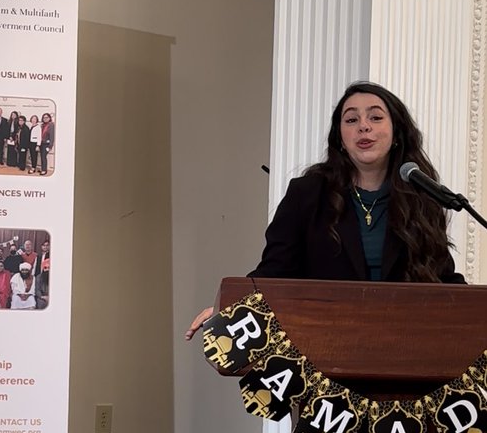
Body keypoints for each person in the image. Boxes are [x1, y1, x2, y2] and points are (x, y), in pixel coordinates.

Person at [185, 80, 466, 339]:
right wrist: (230, 308)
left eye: (376, 117)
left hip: (402, 342)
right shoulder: (307, 193)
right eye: (351, 119)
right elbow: (275, 271)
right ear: (340, 137)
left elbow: (441, 278)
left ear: (396, 134)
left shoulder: (420, 196)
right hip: (325, 344)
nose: (363, 126)